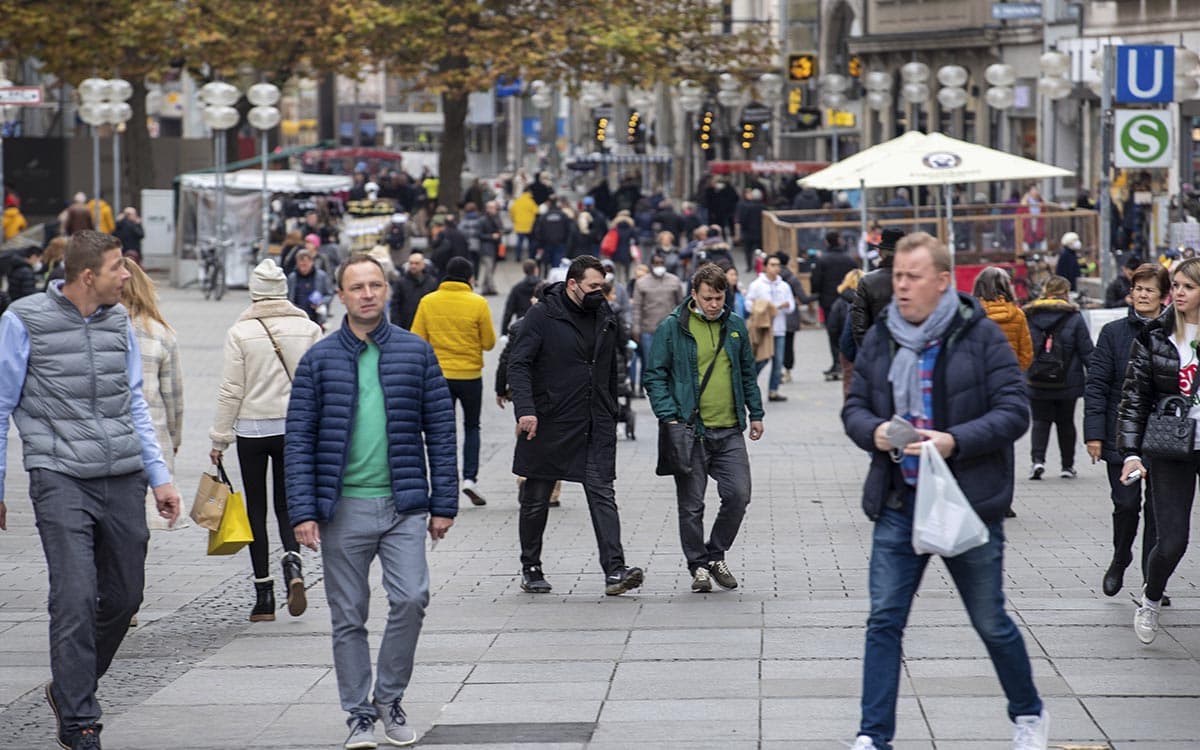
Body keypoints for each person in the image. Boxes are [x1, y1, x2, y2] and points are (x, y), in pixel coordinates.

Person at [841, 232, 1048, 750]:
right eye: (897, 276)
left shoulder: (979, 335)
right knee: (884, 620)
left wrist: (955, 441)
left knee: (991, 621)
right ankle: (873, 736)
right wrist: (875, 432)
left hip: (967, 502)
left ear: (940, 281)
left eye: (912, 277)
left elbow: (1014, 410)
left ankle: (1028, 715)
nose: (901, 285)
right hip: (899, 499)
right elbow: (854, 406)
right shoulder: (881, 336)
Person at [0, 230, 182, 750]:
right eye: (118, 268)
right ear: (88, 276)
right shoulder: (23, 320)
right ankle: (81, 720)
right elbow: (0, 405)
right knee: (75, 595)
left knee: (126, 596)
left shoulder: (118, 322)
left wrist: (160, 477)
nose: (127, 277)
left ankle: (69, 686)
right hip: (58, 475)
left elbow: (134, 404)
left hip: (121, 473)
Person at [286, 255, 457, 749]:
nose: (367, 293)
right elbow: (299, 439)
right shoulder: (318, 360)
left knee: (411, 598)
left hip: (403, 505)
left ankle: (389, 696)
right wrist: (302, 512)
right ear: (340, 295)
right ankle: (359, 713)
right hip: (342, 508)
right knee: (349, 615)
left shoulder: (415, 352)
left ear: (387, 290)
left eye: (375, 285)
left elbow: (441, 432)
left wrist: (443, 502)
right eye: (356, 286)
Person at [505, 255, 646, 596]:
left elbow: (611, 364)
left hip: (594, 419)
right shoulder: (542, 315)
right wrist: (526, 409)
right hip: (549, 420)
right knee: (537, 497)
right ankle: (531, 566)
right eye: (593, 287)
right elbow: (518, 363)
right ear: (572, 284)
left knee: (602, 493)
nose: (601, 293)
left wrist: (613, 405)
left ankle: (615, 570)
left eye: (604, 287)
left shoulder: (603, 315)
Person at [210, 259, 322, 621]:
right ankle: (294, 565)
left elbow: (231, 389)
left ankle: (264, 597)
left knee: (255, 510)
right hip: (295, 429)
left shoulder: (239, 333)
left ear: (254, 292)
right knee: (288, 505)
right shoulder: (308, 328)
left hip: (253, 430)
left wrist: (219, 438)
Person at [643, 263, 765, 592]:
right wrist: (669, 415)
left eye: (719, 298)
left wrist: (756, 413)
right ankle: (698, 564)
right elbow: (653, 375)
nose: (714, 305)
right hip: (690, 430)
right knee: (692, 504)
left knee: (738, 495)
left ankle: (715, 553)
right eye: (708, 298)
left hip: (729, 430)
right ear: (693, 295)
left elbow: (747, 373)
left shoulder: (735, 326)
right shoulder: (673, 328)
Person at [1116, 257, 1200, 644]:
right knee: (1172, 541)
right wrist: (1131, 452)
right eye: (1177, 286)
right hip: (1171, 450)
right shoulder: (1155, 336)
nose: (1179, 293)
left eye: (1188, 287)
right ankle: (1150, 599)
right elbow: (1134, 399)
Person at [1086, 263, 1169, 605]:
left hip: (1164, 437)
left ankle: (1153, 579)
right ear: (1130, 292)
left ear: (1163, 296)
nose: (1143, 294)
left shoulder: (1175, 333)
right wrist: (1094, 434)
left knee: (1158, 510)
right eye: (1139, 288)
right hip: (1122, 434)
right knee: (1126, 503)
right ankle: (1121, 557)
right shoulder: (1113, 333)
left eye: (1150, 289)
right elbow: (1097, 385)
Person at [411, 256, 496, 507]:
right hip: (470, 376)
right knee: (472, 426)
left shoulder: (428, 302)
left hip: (439, 377)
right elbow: (489, 342)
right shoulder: (478, 303)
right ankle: (470, 478)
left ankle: (443, 482)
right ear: (470, 277)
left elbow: (417, 338)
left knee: (441, 431)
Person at [120, 260, 184, 532]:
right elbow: (173, 394)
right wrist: (174, 436)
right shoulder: (161, 333)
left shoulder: (98, 329)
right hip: (153, 431)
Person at [1024, 276, 1094, 480]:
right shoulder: (1074, 317)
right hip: (1067, 380)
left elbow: (1026, 348)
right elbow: (1086, 350)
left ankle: (1037, 461)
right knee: (1065, 422)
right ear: (1065, 292)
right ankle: (1067, 466)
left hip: (1036, 378)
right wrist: (1098, 375)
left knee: (1039, 421)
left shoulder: (1030, 315)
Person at [632, 253, 683, 398]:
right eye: (656, 263)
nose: (659, 266)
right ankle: (647, 388)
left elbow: (681, 305)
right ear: (651, 265)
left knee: (670, 362)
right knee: (649, 362)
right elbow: (637, 307)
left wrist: (683, 326)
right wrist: (635, 328)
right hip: (648, 329)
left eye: (661, 263)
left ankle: (666, 389)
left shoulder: (674, 281)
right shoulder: (641, 283)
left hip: (670, 329)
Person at [745, 255, 793, 401]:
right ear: (765, 266)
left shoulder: (784, 286)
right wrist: (761, 308)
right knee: (762, 359)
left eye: (778, 265)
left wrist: (783, 306)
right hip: (763, 329)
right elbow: (748, 303)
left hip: (779, 328)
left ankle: (773, 390)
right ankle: (748, 386)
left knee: (778, 361)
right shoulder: (757, 285)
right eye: (772, 264)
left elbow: (791, 306)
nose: (775, 268)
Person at [812, 231, 858, 377]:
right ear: (839, 241)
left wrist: (818, 293)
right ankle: (848, 362)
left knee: (833, 333)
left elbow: (816, 282)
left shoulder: (822, 261)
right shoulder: (849, 260)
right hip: (849, 300)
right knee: (848, 331)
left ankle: (837, 363)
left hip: (828, 301)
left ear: (826, 242)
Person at [851, 228, 905, 347]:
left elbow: (858, 326)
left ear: (880, 253)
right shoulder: (918, 279)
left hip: (878, 347)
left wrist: (869, 351)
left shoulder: (867, 281)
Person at [973, 267, 1033, 371]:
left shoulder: (971, 315)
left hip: (979, 377)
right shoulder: (1018, 314)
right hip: (1009, 376)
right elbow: (1026, 355)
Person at [390, 251, 439, 330]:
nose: (413, 266)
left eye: (416, 263)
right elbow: (395, 306)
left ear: (423, 265)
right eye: (411, 263)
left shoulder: (432, 282)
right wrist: (397, 326)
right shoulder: (401, 283)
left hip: (426, 325)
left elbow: (435, 305)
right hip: (406, 326)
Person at [288, 248, 334, 327]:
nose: (304, 267)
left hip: (316, 318)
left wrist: (321, 302)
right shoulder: (292, 278)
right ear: (297, 263)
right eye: (301, 264)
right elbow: (287, 297)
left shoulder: (321, 276)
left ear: (312, 262)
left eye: (306, 264)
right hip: (297, 318)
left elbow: (329, 294)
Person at [501, 259, 540, 335]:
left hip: (522, 325)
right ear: (536, 270)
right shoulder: (543, 286)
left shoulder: (517, 288)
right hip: (540, 325)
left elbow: (508, 311)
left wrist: (504, 332)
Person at [734, 188, 765, 271]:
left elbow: (742, 219)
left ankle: (749, 266)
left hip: (748, 232)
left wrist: (741, 231)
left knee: (748, 251)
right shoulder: (762, 206)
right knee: (759, 250)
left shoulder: (745, 206)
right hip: (759, 232)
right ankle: (758, 266)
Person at [477, 200, 504, 295]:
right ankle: (492, 288)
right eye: (492, 208)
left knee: (491, 269)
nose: (494, 209)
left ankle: (485, 288)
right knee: (489, 268)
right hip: (486, 248)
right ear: (487, 209)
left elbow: (501, 229)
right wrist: (491, 236)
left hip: (496, 247)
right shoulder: (482, 220)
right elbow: (479, 234)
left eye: (495, 207)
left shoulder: (497, 219)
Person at [509, 188, 538, 262]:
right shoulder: (531, 201)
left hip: (519, 225)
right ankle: (531, 257)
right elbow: (536, 211)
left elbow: (511, 211)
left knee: (519, 242)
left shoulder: (517, 201)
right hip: (529, 226)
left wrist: (513, 220)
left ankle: (518, 257)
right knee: (530, 242)